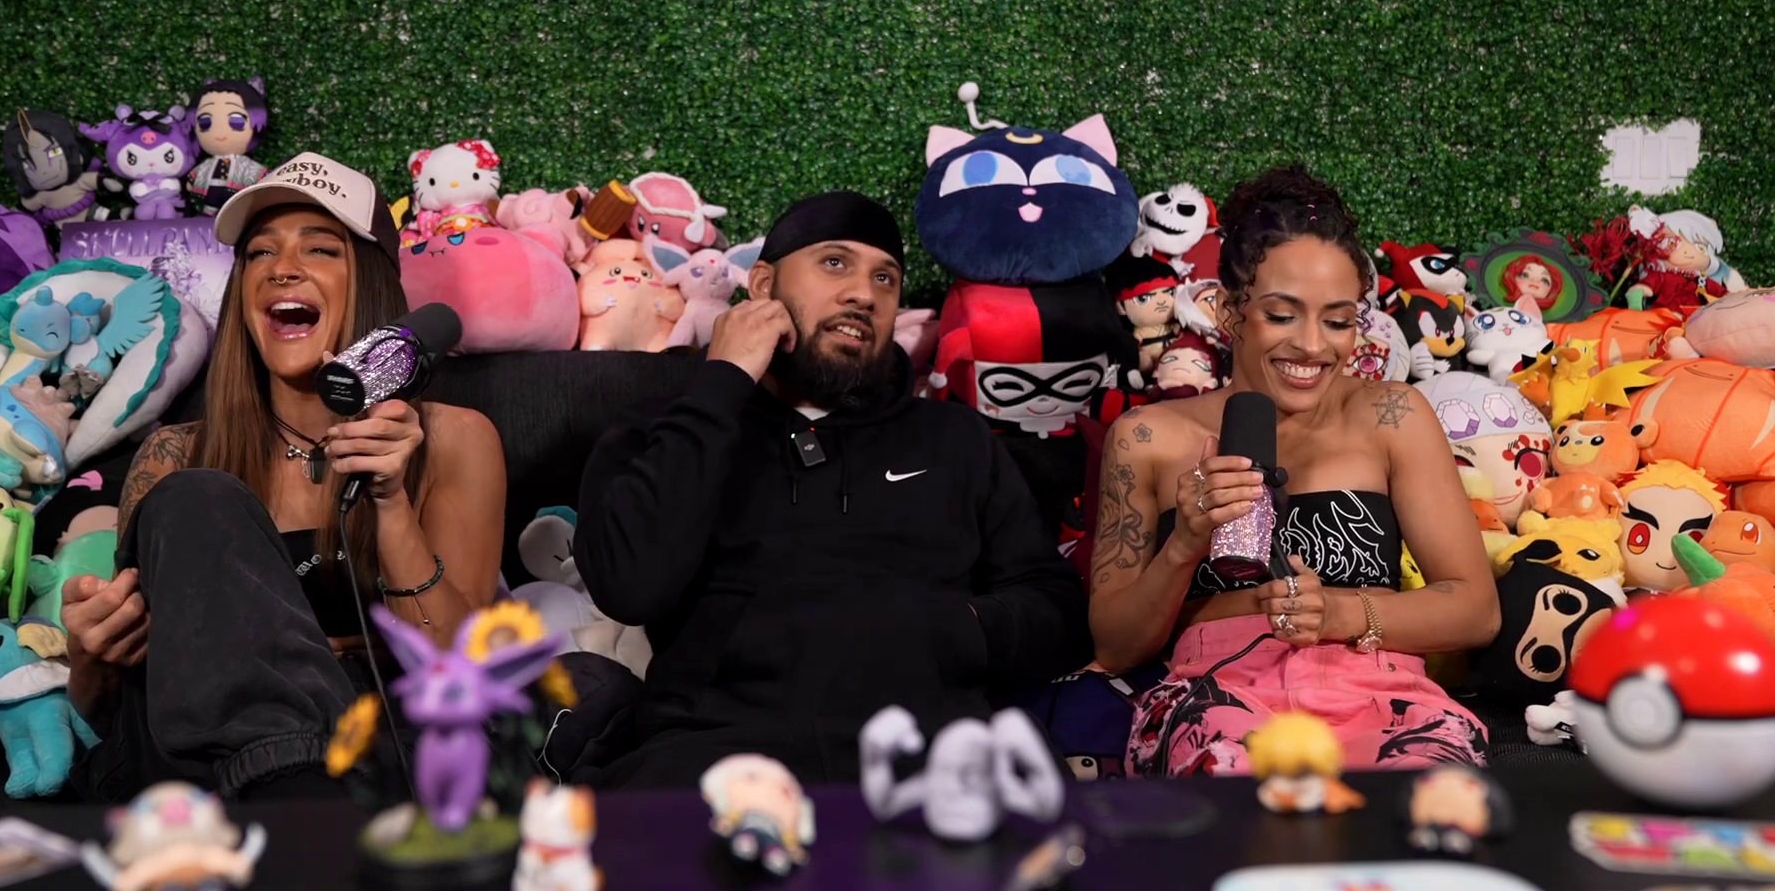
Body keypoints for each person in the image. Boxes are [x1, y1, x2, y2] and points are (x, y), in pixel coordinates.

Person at [574, 191, 1091, 787]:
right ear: (762, 285)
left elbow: (1058, 613)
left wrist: (954, 627)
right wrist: (722, 384)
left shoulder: (954, 437)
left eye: (885, 278)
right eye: (835, 263)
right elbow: (628, 586)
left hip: (935, 756)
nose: (864, 294)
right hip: (715, 757)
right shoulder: (660, 430)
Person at [64, 154, 505, 800]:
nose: (282, 268)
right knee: (197, 496)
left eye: (320, 249)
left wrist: (390, 502)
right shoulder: (175, 457)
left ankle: (291, 813)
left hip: (373, 742)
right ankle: (294, 807)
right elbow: (121, 705)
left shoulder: (454, 440)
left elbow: (460, 671)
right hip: (209, 770)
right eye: (259, 254)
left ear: (371, 283)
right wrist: (91, 655)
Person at [1089, 165, 1500, 777]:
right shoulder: (1146, 437)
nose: (1312, 345)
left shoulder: (1391, 415)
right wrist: (1184, 545)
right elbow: (1115, 647)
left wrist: (1337, 614)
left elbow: (1475, 610)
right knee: (1241, 794)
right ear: (1228, 311)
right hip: (1218, 699)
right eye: (1282, 315)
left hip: (1382, 695)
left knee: (1426, 804)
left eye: (1337, 321)